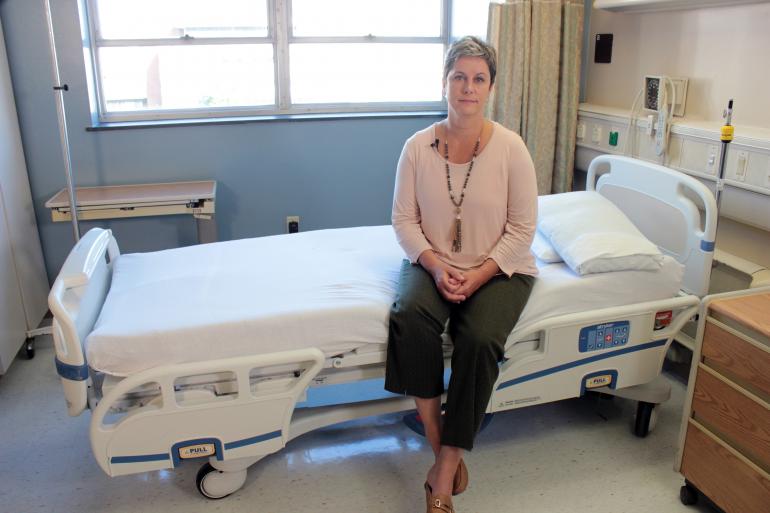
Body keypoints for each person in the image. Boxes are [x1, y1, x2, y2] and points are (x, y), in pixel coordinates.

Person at [384, 36, 538, 513]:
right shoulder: (416, 148)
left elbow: (523, 229)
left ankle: (444, 476)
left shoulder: (512, 149)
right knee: (409, 316)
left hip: (500, 269)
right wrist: (433, 263)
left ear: (490, 87)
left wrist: (478, 275)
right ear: (445, 82)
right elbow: (403, 222)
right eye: (459, 77)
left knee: (480, 339)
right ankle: (438, 443)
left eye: (478, 78)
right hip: (431, 262)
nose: (467, 88)